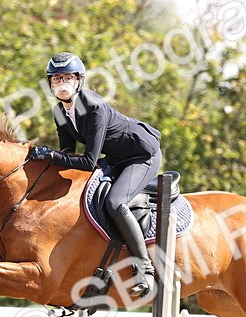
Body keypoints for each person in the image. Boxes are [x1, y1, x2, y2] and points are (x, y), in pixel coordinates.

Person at [27, 52, 162, 297]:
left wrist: (49, 155)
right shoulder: (60, 111)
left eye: (67, 78)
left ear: (79, 80)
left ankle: (145, 268)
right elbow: (68, 153)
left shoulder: (94, 108)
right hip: (114, 157)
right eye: (56, 79)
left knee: (114, 202)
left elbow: (88, 161)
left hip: (141, 155)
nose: (61, 84)